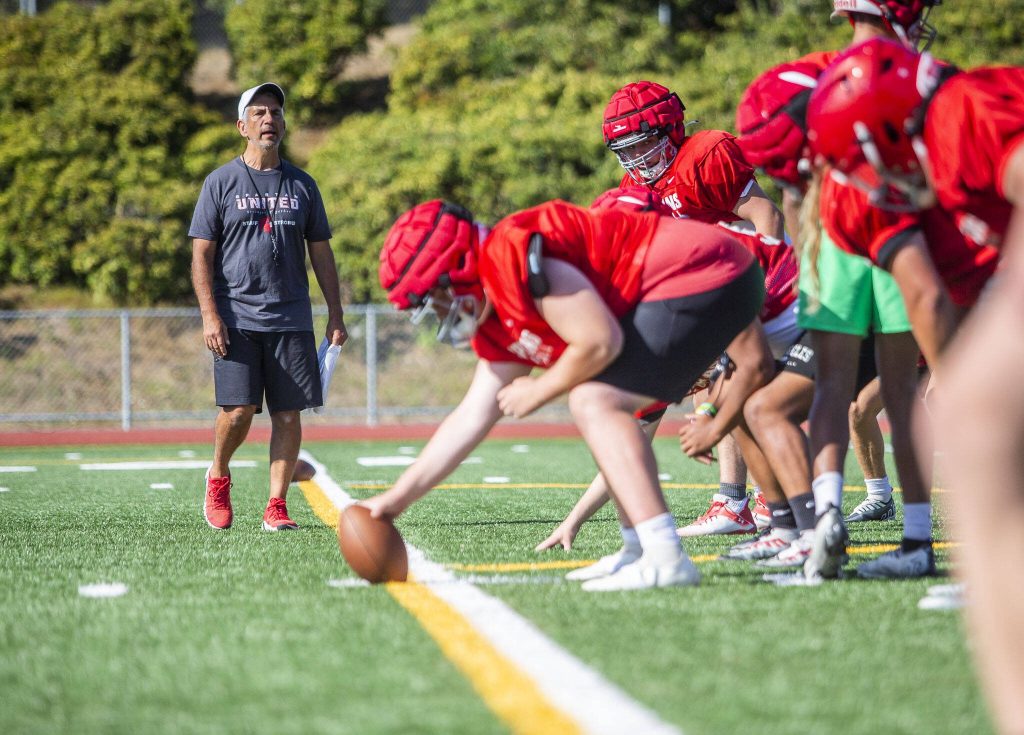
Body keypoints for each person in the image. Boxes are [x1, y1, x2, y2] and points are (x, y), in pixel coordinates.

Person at [363, 198, 774, 591]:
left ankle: (665, 555)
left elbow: (598, 342)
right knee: (603, 404)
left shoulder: (513, 253)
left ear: (459, 267)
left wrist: (539, 390)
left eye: (435, 300)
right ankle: (638, 548)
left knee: (594, 399)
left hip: (706, 268)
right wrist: (396, 500)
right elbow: (470, 417)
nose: (439, 315)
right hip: (698, 277)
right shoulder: (496, 314)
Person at [804, 35, 1024, 732]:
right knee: (962, 418)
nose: (867, 183)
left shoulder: (967, 111)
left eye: (864, 161)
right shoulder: (870, 202)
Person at [597, 80, 786, 538]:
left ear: (671, 130)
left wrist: (766, 284)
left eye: (643, 143)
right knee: (709, 384)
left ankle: (774, 501)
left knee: (757, 396)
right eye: (626, 149)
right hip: (710, 292)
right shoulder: (635, 187)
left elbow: (766, 216)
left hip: (757, 282)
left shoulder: (705, 154)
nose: (635, 158)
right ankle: (733, 501)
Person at [189, 82, 348, 531]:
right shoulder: (220, 182)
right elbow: (201, 253)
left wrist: (335, 313)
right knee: (238, 412)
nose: (268, 120)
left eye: (275, 113)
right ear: (242, 126)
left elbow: (321, 252)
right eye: (258, 113)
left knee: (287, 413)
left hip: (292, 316)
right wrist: (209, 314)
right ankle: (218, 473)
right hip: (236, 316)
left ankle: (276, 505)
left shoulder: (303, 185)